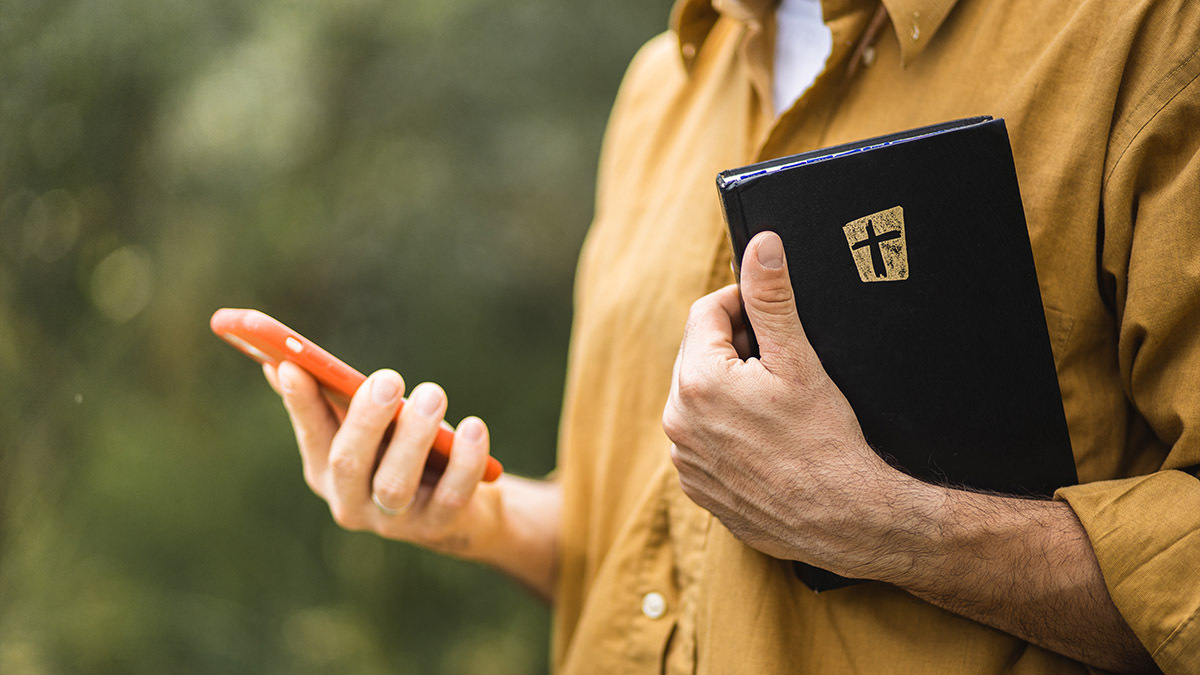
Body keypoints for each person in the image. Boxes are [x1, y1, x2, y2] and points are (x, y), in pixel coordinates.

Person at [264, 0, 1200, 672]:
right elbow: (659, 547)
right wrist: (479, 515)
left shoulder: (1144, 34)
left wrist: (885, 526)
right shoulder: (658, 89)